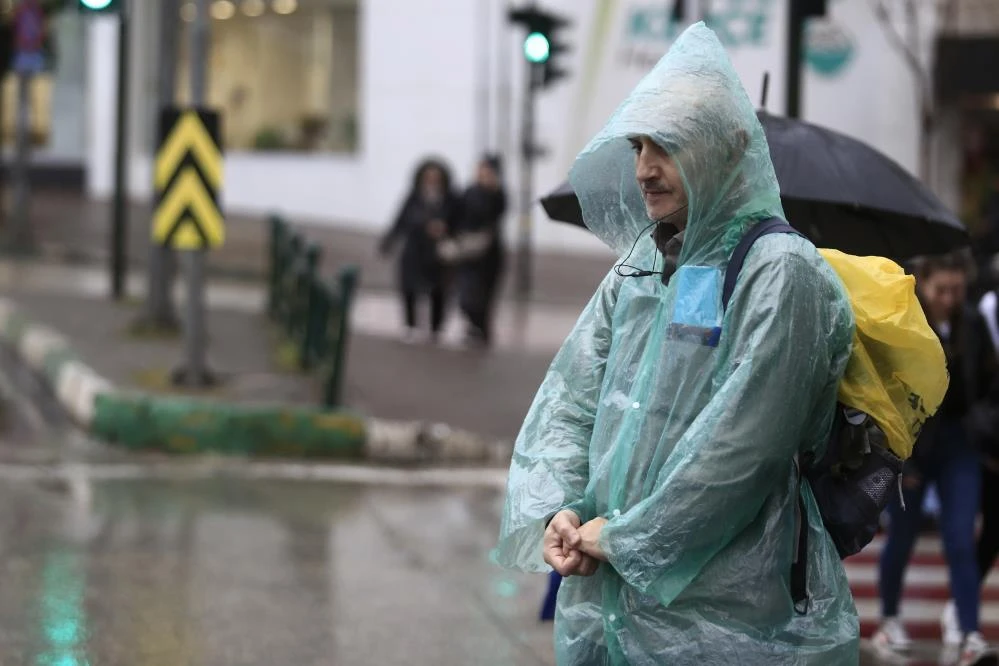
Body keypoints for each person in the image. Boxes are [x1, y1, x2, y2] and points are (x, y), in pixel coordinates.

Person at [493, 23, 858, 664]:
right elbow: (572, 400)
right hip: (607, 606)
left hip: (722, 622)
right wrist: (558, 509)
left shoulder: (779, 271)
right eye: (637, 144)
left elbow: (743, 450)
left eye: (665, 144)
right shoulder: (641, 265)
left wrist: (631, 539)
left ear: (728, 146)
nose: (643, 169)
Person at [873, 252, 997, 664]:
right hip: (910, 446)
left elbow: (989, 385)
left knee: (961, 538)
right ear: (923, 284)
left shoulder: (973, 324)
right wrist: (900, 459)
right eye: (941, 290)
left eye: (957, 290)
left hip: (959, 444)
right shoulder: (905, 320)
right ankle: (889, 618)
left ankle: (970, 631)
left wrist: (982, 428)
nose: (949, 298)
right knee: (903, 537)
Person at [379, 158, 462, 343]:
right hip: (414, 251)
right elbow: (401, 219)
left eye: (436, 178)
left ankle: (435, 328)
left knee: (439, 291)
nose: (432, 181)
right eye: (428, 177)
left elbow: (459, 222)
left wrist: (446, 230)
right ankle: (410, 325)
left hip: (438, 253)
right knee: (408, 287)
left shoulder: (451, 199)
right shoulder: (414, 197)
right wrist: (388, 241)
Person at [455, 155, 507, 346]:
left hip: (489, 254)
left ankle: (481, 330)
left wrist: (490, 190)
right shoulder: (469, 191)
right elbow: (458, 213)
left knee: (486, 295)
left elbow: (495, 213)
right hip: (468, 251)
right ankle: (473, 325)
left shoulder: (497, 193)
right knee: (466, 295)